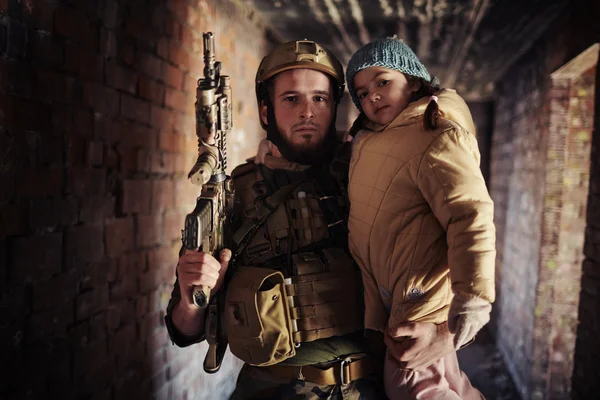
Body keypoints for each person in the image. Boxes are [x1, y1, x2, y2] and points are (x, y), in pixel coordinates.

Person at [165, 39, 457, 400]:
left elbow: (449, 245)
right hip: (272, 391)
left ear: (335, 107)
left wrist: (447, 332)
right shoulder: (234, 194)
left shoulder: (372, 172)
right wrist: (193, 297)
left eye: (319, 98)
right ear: (266, 112)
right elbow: (183, 330)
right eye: (291, 99)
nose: (307, 111)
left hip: (374, 386)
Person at [342, 37, 496, 399]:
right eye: (361, 93)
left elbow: (470, 215)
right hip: (391, 288)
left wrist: (472, 297)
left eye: (382, 82)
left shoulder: (436, 136)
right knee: (445, 376)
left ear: (412, 80)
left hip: (419, 291)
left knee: (408, 381)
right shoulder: (371, 139)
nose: (372, 96)